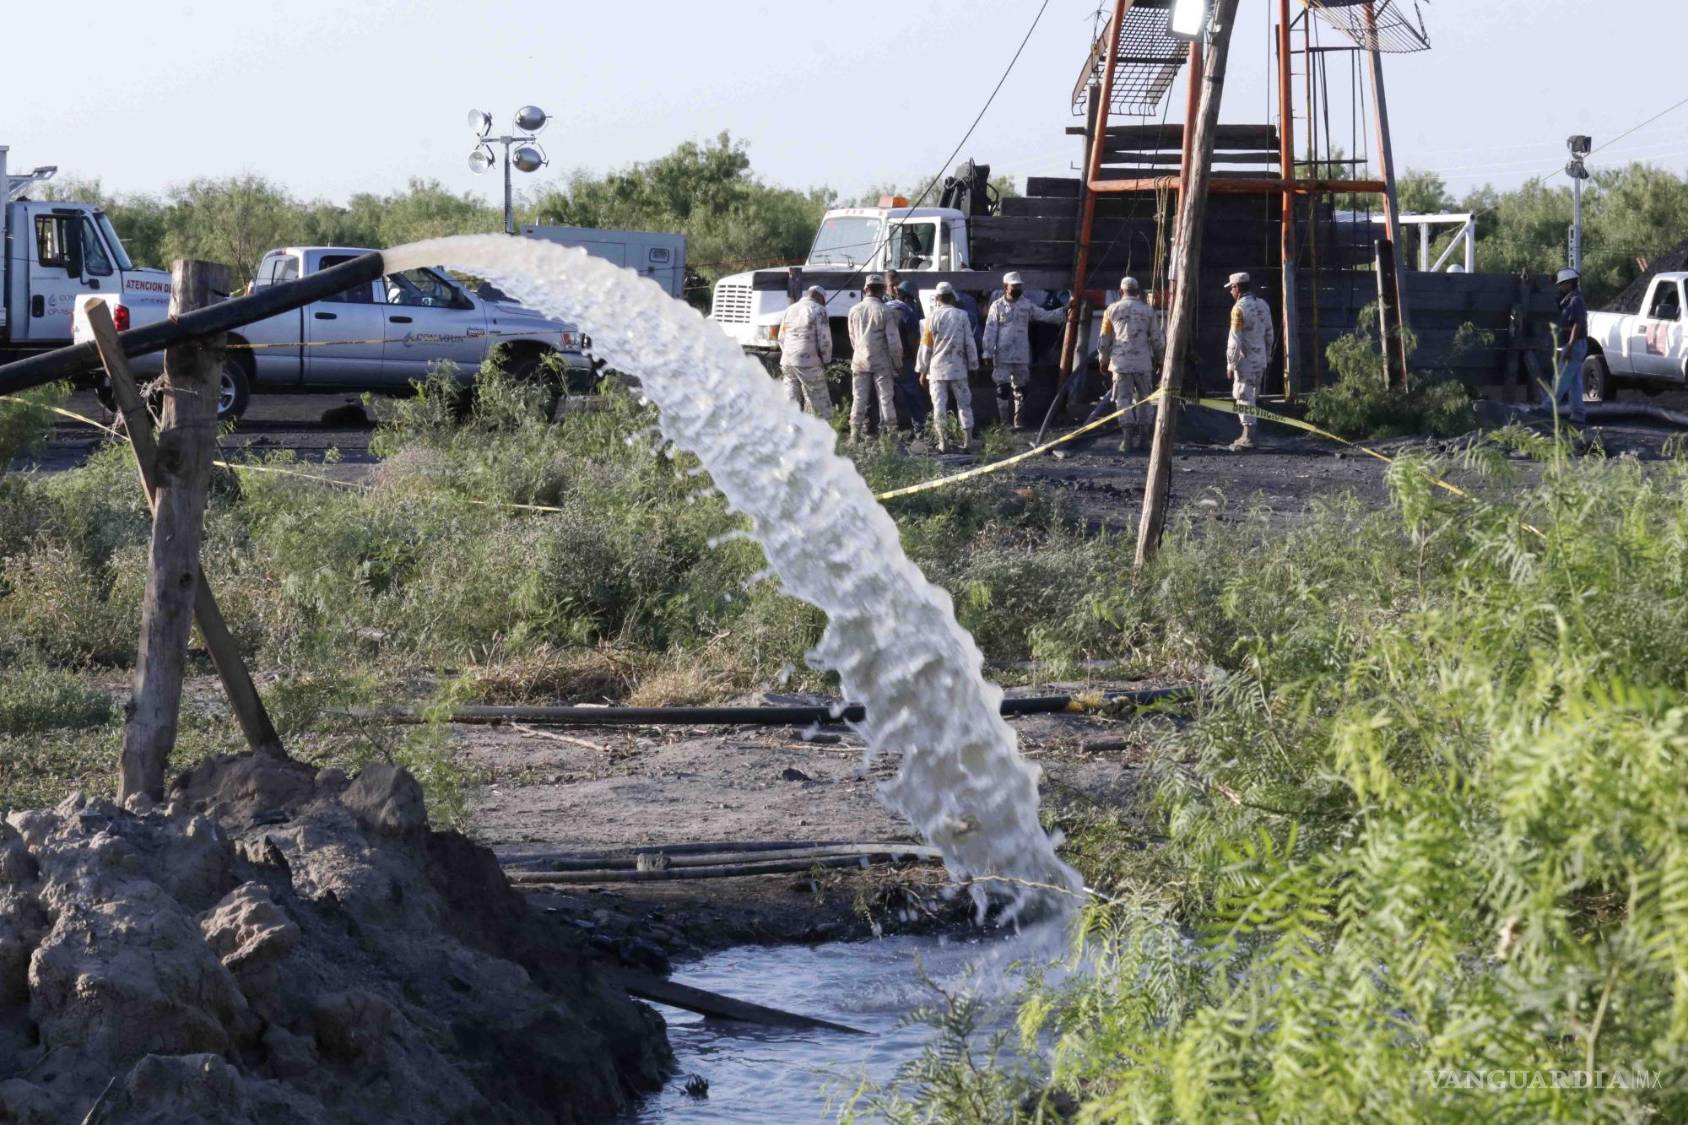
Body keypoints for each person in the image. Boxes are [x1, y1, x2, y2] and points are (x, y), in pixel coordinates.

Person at [981, 271, 1069, 428]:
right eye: (1014, 286)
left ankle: (1018, 422)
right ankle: (1004, 423)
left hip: (1021, 354)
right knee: (1002, 389)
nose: (1017, 289)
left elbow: (1044, 315)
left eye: (1019, 286)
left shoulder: (1026, 305)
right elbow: (990, 329)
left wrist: (1064, 310)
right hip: (1002, 355)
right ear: (1005, 287)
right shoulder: (997, 306)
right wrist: (987, 351)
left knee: (1021, 389)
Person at [1098, 276, 1166, 453]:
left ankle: (1127, 440)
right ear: (1138, 292)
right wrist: (1161, 360)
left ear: (1121, 291)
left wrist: (1103, 360)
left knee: (1123, 400)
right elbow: (1157, 339)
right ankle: (1144, 439)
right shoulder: (1148, 311)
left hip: (1120, 364)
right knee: (1145, 399)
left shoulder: (1110, 310)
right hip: (1143, 363)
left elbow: (1104, 339)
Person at [917, 282, 979, 452]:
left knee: (939, 407)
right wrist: (973, 365)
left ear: (937, 298)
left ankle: (943, 443)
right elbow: (969, 342)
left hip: (937, 371)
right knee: (964, 405)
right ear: (952, 297)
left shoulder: (931, 318)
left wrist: (922, 370)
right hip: (959, 369)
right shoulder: (962, 316)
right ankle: (968, 441)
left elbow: (926, 346)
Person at [845, 274, 903, 442]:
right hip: (881, 361)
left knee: (859, 398)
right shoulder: (886, 311)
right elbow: (894, 342)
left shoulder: (854, 310)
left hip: (859, 360)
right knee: (886, 398)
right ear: (883, 290)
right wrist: (898, 363)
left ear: (865, 289)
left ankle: (854, 435)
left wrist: (860, 352)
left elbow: (853, 338)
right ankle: (892, 437)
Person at [1224, 271, 1275, 451]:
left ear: (1237, 288)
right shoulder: (1263, 305)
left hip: (1245, 361)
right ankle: (1251, 434)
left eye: (1231, 288)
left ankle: (1248, 436)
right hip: (1260, 359)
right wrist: (1267, 355)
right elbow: (1269, 333)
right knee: (1253, 395)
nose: (1231, 292)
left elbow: (1234, 340)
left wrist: (1230, 364)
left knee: (1243, 395)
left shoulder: (1238, 309)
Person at [779, 285, 834, 420]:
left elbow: (781, 337)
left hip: (787, 360)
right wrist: (826, 359)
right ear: (820, 297)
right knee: (820, 402)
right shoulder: (819, 310)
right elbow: (825, 339)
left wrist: (789, 353)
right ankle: (822, 430)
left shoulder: (790, 309)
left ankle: (789, 428)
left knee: (791, 400)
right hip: (808, 362)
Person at [886, 280, 929, 432]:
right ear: (907, 297)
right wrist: (919, 362)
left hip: (884, 361)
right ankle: (920, 430)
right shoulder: (907, 313)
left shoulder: (884, 308)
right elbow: (913, 340)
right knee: (913, 396)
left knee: (886, 397)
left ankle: (888, 431)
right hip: (905, 361)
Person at [1553, 267, 1590, 427]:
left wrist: (1570, 345)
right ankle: (1578, 415)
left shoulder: (1575, 301)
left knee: (1561, 378)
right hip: (1575, 344)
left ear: (1569, 283)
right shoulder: (1570, 300)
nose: (1560, 287)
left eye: (1562, 284)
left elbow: (1578, 324)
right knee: (1575, 382)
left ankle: (1547, 408)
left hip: (1574, 344)